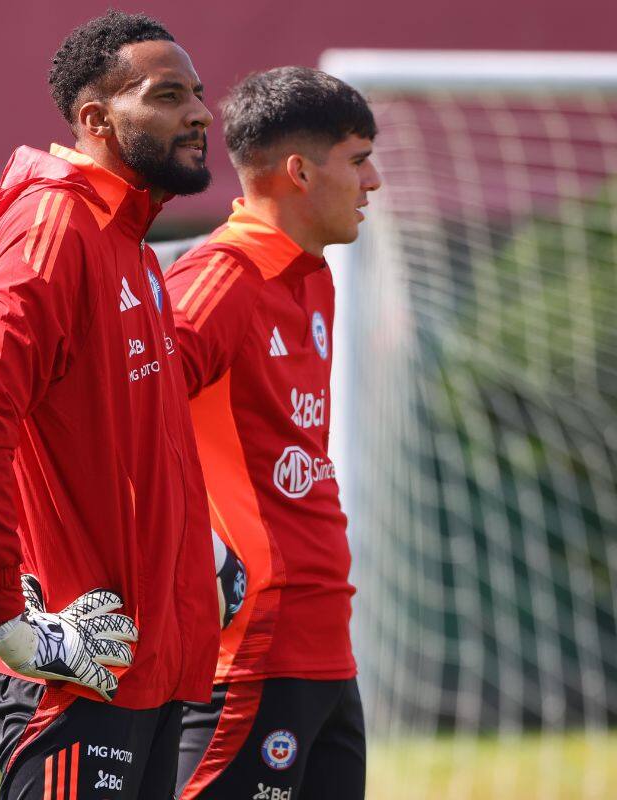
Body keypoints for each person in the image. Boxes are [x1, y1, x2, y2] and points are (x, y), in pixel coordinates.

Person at [0, 10, 241, 799]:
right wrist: (10, 622)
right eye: (169, 96)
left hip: (144, 665)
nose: (202, 114)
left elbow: (123, 441)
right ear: (97, 119)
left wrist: (197, 549)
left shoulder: (124, 236)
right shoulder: (54, 231)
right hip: (75, 672)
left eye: (198, 95)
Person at [166, 66, 382, 800]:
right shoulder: (219, 281)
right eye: (358, 160)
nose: (373, 181)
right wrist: (187, 551)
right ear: (298, 171)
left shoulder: (312, 276)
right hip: (248, 654)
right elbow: (116, 420)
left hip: (322, 646)